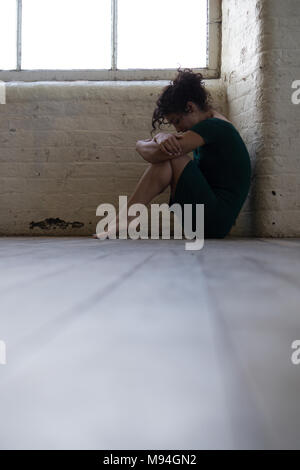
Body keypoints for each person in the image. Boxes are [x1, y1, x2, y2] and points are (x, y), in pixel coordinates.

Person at [93, 67, 251, 239]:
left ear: (190, 107)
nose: (178, 129)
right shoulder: (209, 126)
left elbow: (154, 154)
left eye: (177, 121)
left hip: (215, 220)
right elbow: (154, 151)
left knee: (171, 159)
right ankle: (123, 221)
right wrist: (158, 138)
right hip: (209, 219)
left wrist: (149, 143)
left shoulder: (214, 126)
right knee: (168, 157)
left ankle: (123, 221)